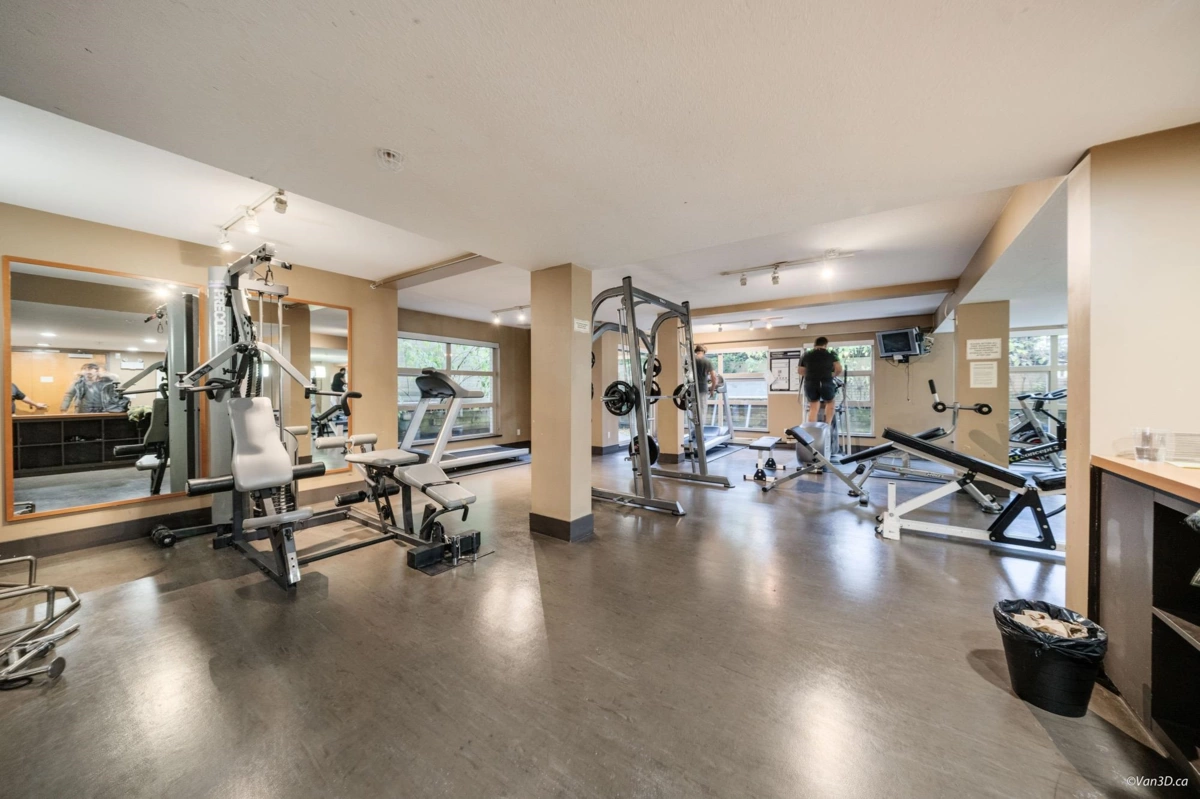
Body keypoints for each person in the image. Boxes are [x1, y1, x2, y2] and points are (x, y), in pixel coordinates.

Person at [798, 337, 842, 424]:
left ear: (815, 345)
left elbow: (800, 371)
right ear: (825, 345)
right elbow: (838, 369)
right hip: (826, 382)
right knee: (830, 402)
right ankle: (827, 425)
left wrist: (812, 375)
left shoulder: (806, 354)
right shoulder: (831, 354)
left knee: (813, 407)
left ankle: (812, 430)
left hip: (810, 383)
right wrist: (833, 375)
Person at [61, 363, 127, 414]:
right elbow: (69, 395)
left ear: (97, 371)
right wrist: (64, 409)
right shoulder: (78, 383)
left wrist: (104, 374)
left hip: (102, 409)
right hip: (83, 410)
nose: (88, 372)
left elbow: (116, 378)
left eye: (90, 370)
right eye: (86, 370)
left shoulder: (106, 382)